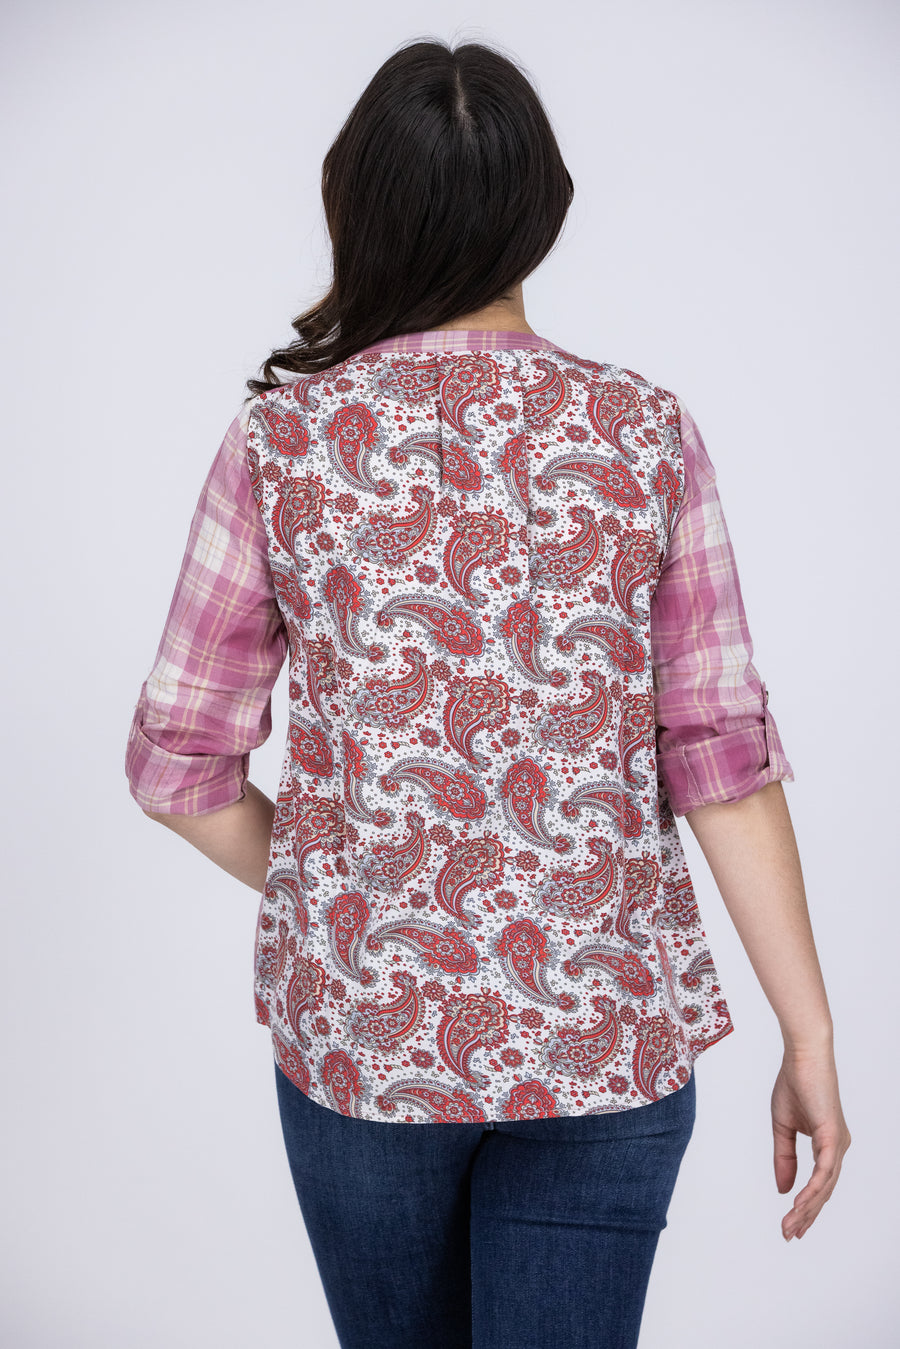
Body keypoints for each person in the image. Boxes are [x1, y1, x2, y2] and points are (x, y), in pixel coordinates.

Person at [124, 36, 851, 1349]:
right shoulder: (645, 434)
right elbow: (720, 756)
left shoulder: (281, 444)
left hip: (366, 1041)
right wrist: (810, 1035)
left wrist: (349, 881)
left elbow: (179, 764)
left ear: (356, 203)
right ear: (542, 208)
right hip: (605, 1045)